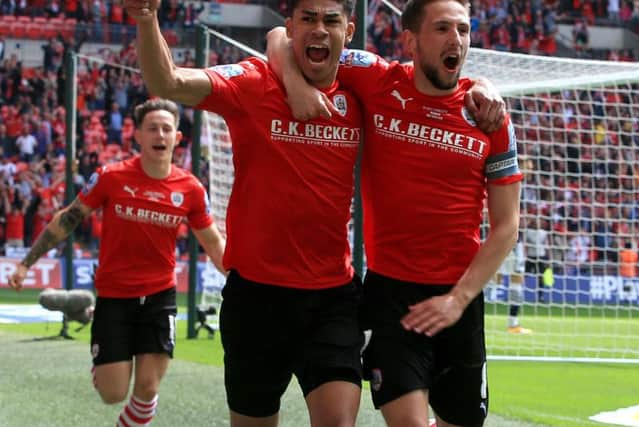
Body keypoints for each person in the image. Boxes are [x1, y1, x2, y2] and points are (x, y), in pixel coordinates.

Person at [267, 0, 522, 425]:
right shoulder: (376, 78)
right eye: (442, 28)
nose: (455, 39)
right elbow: (281, 38)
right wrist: (295, 83)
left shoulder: (490, 117)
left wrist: (457, 301)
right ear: (410, 40)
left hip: (461, 300)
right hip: (392, 299)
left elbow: (507, 226)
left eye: (463, 29)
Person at [124, 0, 366, 426]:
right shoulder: (252, 82)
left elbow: (427, 86)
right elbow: (169, 81)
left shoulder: (366, 89)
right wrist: (147, 19)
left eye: (331, 20)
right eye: (307, 19)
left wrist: (480, 90)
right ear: (290, 27)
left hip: (332, 298)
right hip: (256, 299)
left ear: (349, 31)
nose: (319, 29)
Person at [8, 98, 226, 427]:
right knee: (113, 393)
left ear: (177, 138)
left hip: (159, 297)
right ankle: (88, 312)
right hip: (115, 296)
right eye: (152, 128)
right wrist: (26, 263)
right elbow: (68, 219)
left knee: (147, 387)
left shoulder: (192, 189)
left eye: (167, 128)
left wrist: (242, 279)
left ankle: (89, 315)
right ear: (137, 135)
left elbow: (211, 242)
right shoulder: (111, 177)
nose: (160, 134)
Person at [494, 236, 532, 334]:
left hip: (498, 240)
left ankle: (513, 324)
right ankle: (513, 324)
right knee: (516, 284)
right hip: (513, 243)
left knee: (495, 281)